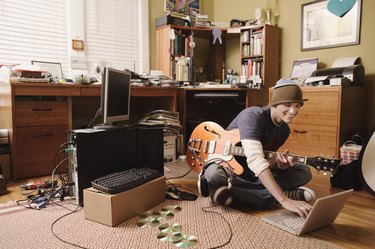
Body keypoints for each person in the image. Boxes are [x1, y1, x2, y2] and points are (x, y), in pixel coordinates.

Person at [202, 79, 315, 218]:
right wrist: (284, 200)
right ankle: (276, 196)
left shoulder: (284, 130)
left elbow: (261, 160)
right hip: (227, 167)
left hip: (250, 174)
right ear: (275, 103)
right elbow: (255, 159)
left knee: (304, 171)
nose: (293, 111)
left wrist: (276, 165)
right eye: (287, 105)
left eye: (297, 105)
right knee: (214, 174)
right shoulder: (253, 115)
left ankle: (231, 194)